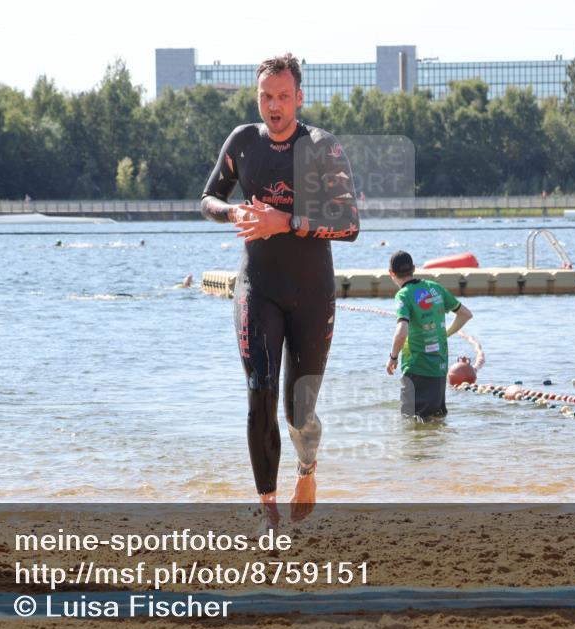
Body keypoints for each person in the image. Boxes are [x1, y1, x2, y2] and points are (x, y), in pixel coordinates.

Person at [200, 53, 360, 524]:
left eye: (283, 97)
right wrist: (233, 213)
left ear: (299, 98)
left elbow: (349, 223)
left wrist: (282, 221)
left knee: (298, 409)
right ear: (258, 98)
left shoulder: (322, 147)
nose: (274, 106)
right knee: (260, 392)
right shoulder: (243, 142)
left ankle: (307, 466)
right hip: (258, 287)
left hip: (311, 294)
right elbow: (208, 197)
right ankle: (266, 507)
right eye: (266, 97)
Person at [385, 251, 473, 420]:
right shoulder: (435, 288)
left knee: (411, 423)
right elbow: (465, 314)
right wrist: (446, 334)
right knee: (436, 420)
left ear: (391, 273)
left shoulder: (403, 295)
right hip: (439, 368)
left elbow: (402, 331)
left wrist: (393, 357)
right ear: (414, 269)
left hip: (416, 368)